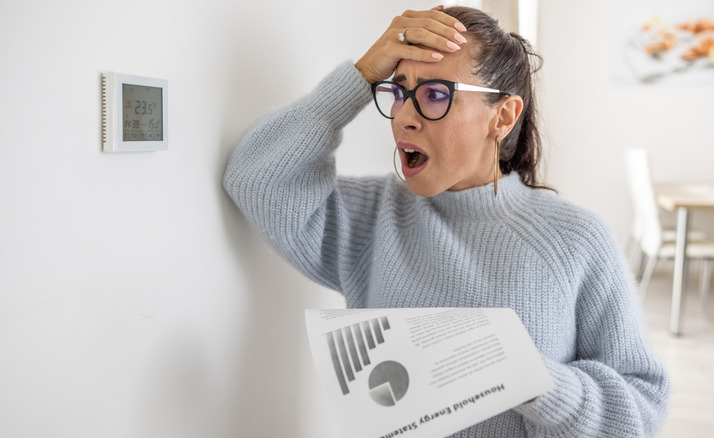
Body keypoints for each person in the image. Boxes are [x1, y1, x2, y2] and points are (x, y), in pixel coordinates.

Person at [223, 6, 670, 437]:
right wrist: (362, 76)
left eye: (435, 95)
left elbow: (641, 407)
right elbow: (256, 179)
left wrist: (528, 375)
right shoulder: (373, 218)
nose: (403, 117)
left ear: (503, 117)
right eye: (397, 92)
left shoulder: (576, 239)